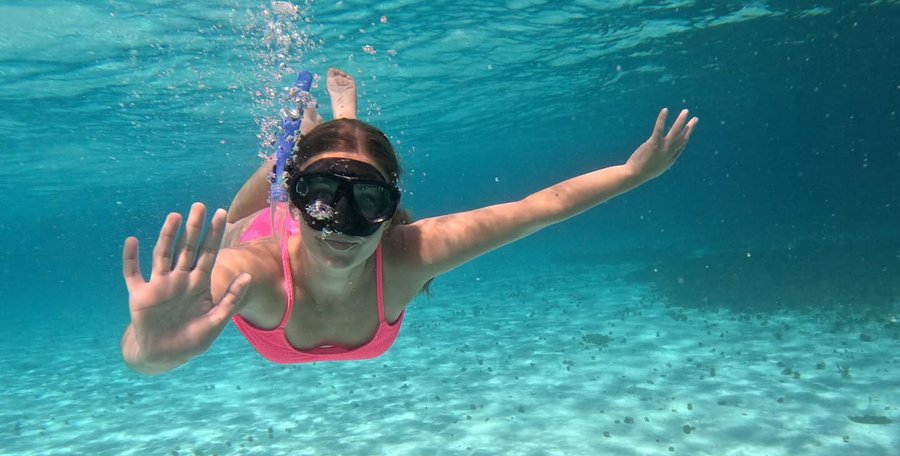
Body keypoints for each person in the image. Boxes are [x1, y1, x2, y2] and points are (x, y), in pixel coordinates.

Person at [120, 68, 698, 375]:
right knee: (242, 213)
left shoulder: (407, 256)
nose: (340, 224)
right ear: (297, 204)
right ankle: (294, 145)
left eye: (368, 201)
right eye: (319, 196)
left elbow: (536, 209)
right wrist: (149, 345)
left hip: (325, 220)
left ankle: (330, 129)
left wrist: (632, 173)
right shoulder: (246, 271)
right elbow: (147, 353)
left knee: (341, 156)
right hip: (263, 227)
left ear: (391, 211)